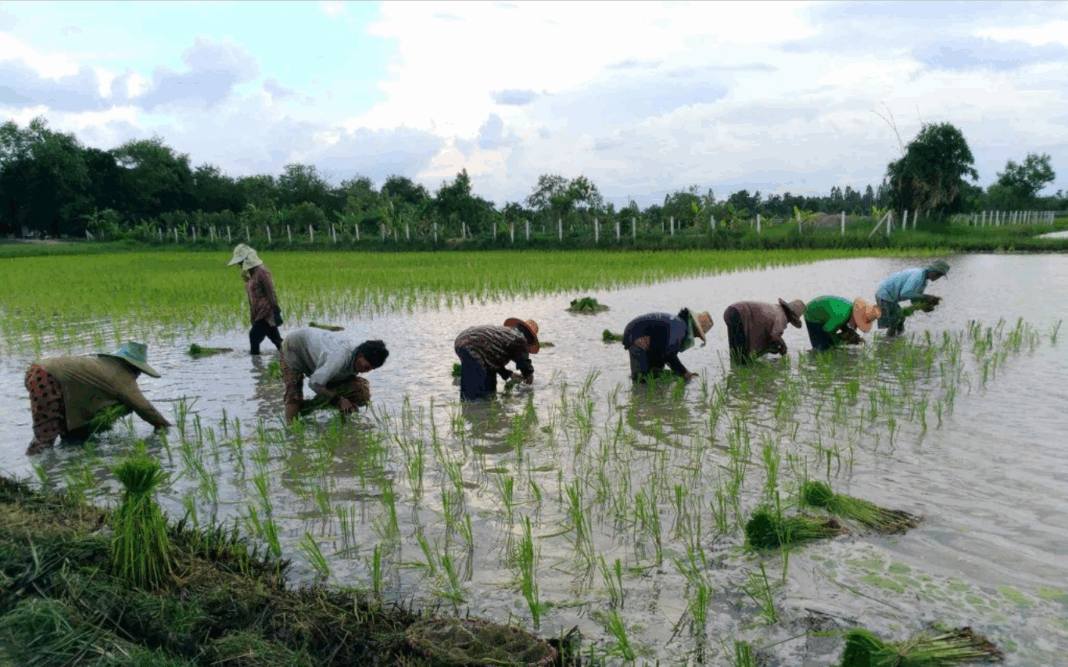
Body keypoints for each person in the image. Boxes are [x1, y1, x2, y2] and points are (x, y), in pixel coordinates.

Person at [24, 341, 171, 455]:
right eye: (139, 371)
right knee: (45, 437)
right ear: (135, 367)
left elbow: (84, 398)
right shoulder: (121, 375)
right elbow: (144, 408)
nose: (138, 375)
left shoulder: (105, 365)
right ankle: (33, 472)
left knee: (75, 436)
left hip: (40, 372)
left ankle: (61, 467)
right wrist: (164, 426)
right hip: (45, 377)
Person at [280, 327, 389, 423]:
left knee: (359, 391)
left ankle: (343, 424)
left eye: (371, 369)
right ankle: (292, 432)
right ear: (360, 355)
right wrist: (338, 400)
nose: (366, 372)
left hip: (316, 356)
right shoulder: (339, 357)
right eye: (366, 367)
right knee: (294, 394)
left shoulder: (357, 356)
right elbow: (313, 383)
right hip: (294, 347)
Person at [454, 318, 540, 401]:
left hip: (461, 340)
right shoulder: (520, 338)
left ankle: (471, 410)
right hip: (474, 345)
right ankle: (478, 409)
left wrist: (510, 374)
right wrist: (529, 391)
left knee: (475, 385)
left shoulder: (505, 333)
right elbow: (526, 368)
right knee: (478, 393)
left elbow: (493, 361)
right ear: (530, 338)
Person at [621, 308, 713, 381]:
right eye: (697, 334)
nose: (696, 337)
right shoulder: (680, 327)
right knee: (641, 379)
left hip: (644, 338)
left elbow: (665, 353)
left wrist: (679, 371)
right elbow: (669, 354)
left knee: (656, 372)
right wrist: (684, 372)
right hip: (637, 336)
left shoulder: (677, 323)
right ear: (695, 327)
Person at [228, 244, 283, 355]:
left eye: (241, 262)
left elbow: (271, 292)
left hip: (266, 312)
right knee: (278, 342)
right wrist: (247, 280)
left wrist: (275, 310)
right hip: (259, 313)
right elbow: (254, 294)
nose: (239, 264)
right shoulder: (252, 275)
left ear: (247, 260)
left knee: (254, 336)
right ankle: (290, 357)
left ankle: (256, 366)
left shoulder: (262, 272)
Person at [875, 260, 950, 337]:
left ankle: (898, 339)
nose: (938, 278)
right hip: (884, 294)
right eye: (938, 275)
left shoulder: (923, 281)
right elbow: (905, 294)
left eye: (940, 276)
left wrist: (924, 307)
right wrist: (926, 297)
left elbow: (914, 299)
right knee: (894, 321)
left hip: (889, 296)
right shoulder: (918, 276)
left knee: (900, 319)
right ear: (933, 271)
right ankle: (889, 342)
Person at [723, 299, 807, 365]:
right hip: (739, 314)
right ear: (791, 316)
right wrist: (783, 346)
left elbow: (762, 334)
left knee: (735, 355)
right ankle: (738, 381)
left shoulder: (775, 308)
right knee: (742, 361)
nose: (788, 323)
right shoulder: (782, 316)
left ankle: (734, 378)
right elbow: (775, 335)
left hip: (731, 311)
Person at [803, 296, 881, 352]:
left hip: (827, 314)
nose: (856, 328)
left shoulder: (849, 310)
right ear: (856, 317)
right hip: (812, 315)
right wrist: (839, 342)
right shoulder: (841, 316)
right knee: (822, 348)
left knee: (830, 346)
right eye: (857, 324)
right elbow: (827, 329)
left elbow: (838, 323)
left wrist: (848, 331)